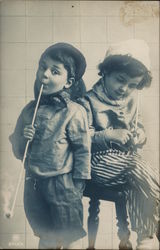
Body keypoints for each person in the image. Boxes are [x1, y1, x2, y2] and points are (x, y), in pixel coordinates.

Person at [77, 39, 160, 250]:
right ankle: (152, 231)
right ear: (105, 72)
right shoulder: (87, 102)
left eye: (132, 85)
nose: (125, 89)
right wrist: (108, 135)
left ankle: (145, 237)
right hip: (95, 163)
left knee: (140, 180)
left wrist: (139, 135)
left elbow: (137, 126)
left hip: (126, 163)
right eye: (120, 80)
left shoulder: (132, 101)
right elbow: (77, 137)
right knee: (138, 169)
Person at [9, 43, 91, 249]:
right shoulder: (29, 111)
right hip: (34, 185)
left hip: (63, 186)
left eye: (55, 71)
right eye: (42, 67)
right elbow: (19, 152)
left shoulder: (74, 112)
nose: (44, 74)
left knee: (70, 237)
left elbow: (82, 150)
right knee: (46, 238)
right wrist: (24, 139)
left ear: (68, 81)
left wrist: (79, 184)